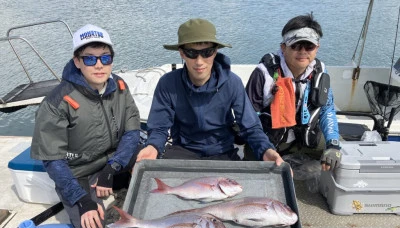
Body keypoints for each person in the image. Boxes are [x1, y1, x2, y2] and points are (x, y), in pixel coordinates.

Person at [31, 24, 141, 228]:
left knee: (152, 159)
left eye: (105, 58)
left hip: (112, 159)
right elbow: (53, 160)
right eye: (90, 58)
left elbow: (132, 130)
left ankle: (111, 180)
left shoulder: (119, 85)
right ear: (77, 61)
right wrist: (81, 199)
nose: (99, 65)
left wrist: (112, 168)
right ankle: (94, 189)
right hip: (78, 171)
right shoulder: (56, 102)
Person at [137, 18, 283, 165]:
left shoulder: (233, 83)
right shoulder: (168, 83)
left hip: (222, 151)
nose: (199, 61)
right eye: (191, 53)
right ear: (182, 53)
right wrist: (152, 146)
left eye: (207, 52)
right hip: (182, 150)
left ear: (215, 52)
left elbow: (250, 127)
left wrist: (266, 150)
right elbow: (159, 127)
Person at [245, 13, 341, 171]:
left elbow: (326, 109)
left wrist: (333, 143)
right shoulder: (264, 73)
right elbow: (249, 118)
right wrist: (264, 148)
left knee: (337, 156)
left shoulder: (320, 71)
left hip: (305, 138)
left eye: (309, 46)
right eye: (296, 46)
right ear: (283, 47)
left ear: (317, 48)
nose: (303, 51)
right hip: (270, 141)